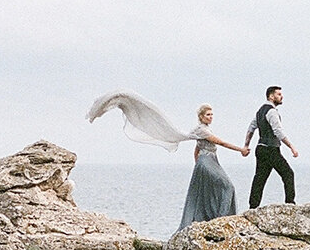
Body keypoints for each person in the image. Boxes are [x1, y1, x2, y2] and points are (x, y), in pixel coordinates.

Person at [85, 92, 252, 233]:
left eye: (212, 114)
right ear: (201, 117)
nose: (211, 117)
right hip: (207, 162)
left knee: (212, 190)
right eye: (208, 114)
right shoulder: (201, 129)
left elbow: (197, 148)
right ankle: (220, 221)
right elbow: (221, 143)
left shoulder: (203, 130)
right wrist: (241, 150)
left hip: (207, 161)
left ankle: (215, 219)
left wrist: (197, 165)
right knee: (227, 186)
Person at [245, 84, 298, 207]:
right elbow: (278, 131)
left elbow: (251, 128)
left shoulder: (259, 112)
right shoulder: (272, 111)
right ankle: (290, 204)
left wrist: (246, 145)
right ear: (271, 96)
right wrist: (291, 147)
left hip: (261, 148)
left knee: (260, 179)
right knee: (288, 174)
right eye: (278, 94)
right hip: (271, 149)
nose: (281, 96)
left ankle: (252, 207)